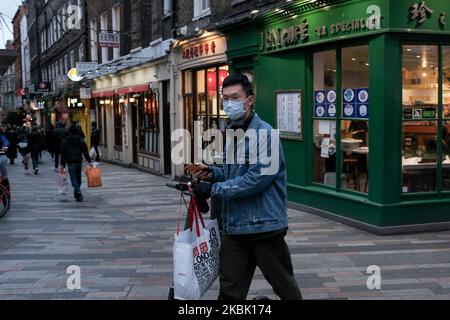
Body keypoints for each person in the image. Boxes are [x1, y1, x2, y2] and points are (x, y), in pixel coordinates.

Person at [187, 74, 302, 300]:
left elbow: (256, 179)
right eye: (225, 98)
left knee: (286, 289)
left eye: (235, 97)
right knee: (229, 293)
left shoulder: (266, 134)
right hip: (235, 230)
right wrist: (210, 173)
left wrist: (213, 190)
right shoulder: (234, 133)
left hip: (264, 229)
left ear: (249, 100)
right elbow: (233, 173)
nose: (229, 103)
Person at [60, 125, 92, 202]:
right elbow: (85, 151)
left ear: (70, 132)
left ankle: (77, 192)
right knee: (78, 179)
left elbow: (63, 153)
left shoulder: (65, 141)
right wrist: (89, 161)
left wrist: (62, 164)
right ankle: (77, 193)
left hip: (70, 162)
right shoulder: (80, 140)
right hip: (78, 162)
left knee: (74, 179)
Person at [0, 128, 10, 207]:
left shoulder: (1, 136)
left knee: (4, 177)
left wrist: (5, 146)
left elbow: (5, 141)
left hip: (1, 156)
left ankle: (6, 196)